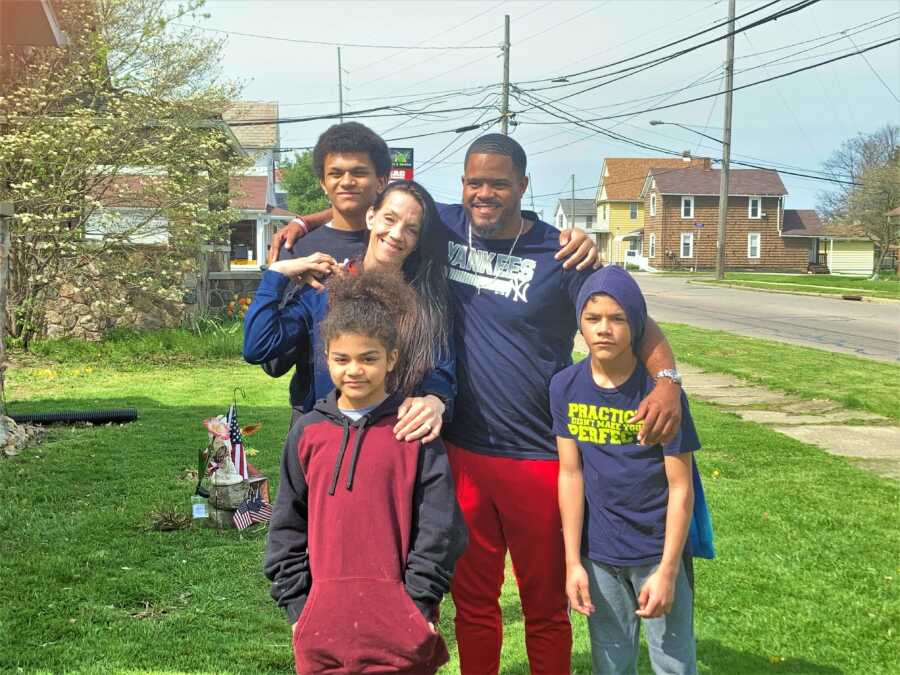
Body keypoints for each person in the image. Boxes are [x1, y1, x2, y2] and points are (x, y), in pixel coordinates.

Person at [271, 133, 684, 674]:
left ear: (524, 187)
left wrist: (668, 379)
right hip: (461, 449)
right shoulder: (445, 225)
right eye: (473, 182)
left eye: (498, 184)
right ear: (461, 186)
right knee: (474, 605)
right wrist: (303, 221)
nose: (483, 193)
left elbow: (631, 312)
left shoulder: (560, 253)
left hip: (539, 456)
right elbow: (377, 203)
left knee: (544, 607)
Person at [264, 271, 468, 675]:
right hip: (322, 629)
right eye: (342, 359)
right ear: (326, 358)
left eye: (368, 358)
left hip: (399, 627)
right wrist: (300, 609)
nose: (354, 370)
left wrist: (417, 603)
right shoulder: (308, 433)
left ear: (392, 359)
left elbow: (441, 528)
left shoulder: (413, 432)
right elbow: (286, 525)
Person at [552, 265, 699, 675]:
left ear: (636, 325)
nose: (604, 329)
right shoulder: (564, 386)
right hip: (599, 554)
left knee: (674, 662)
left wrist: (668, 570)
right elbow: (570, 474)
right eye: (593, 318)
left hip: (656, 550)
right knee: (610, 662)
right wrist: (572, 562)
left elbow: (681, 488)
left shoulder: (662, 398)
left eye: (617, 319)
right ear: (579, 323)